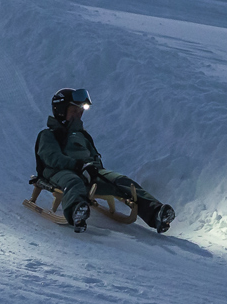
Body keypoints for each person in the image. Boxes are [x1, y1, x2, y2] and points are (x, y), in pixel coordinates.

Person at [35, 88, 174, 233]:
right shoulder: (48, 135)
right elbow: (52, 158)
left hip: (88, 171)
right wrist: (79, 165)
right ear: (61, 111)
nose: (78, 115)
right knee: (74, 182)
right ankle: (77, 213)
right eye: (74, 111)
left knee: (121, 180)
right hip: (59, 172)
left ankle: (156, 213)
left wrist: (96, 171)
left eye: (80, 112)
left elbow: (94, 156)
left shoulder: (82, 135)